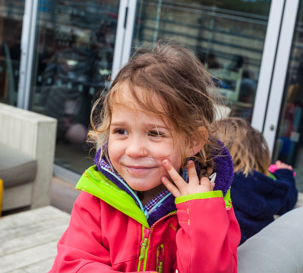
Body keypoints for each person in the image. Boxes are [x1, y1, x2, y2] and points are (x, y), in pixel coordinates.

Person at [49, 42, 240, 272]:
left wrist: (199, 214)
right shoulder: (97, 198)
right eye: (121, 131)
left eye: (154, 133)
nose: (134, 150)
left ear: (193, 141)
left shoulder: (210, 206)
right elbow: (71, 264)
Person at [214, 117, 298, 245]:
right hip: (257, 253)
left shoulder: (218, 183)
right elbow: (288, 200)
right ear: (260, 155)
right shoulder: (267, 187)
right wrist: (285, 174)